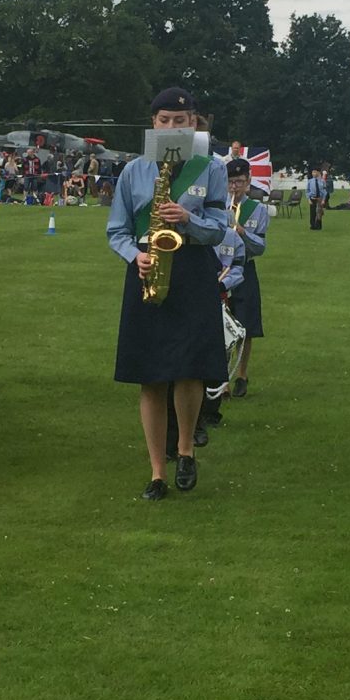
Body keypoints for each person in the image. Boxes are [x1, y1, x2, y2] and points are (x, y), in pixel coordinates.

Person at [106, 86, 228, 500]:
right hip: (147, 268)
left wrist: (188, 219)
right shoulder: (134, 170)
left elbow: (219, 228)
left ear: (193, 122)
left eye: (181, 120)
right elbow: (117, 231)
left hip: (192, 267)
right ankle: (157, 471)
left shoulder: (210, 167)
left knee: (190, 367)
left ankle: (186, 448)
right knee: (151, 375)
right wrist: (132, 256)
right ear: (153, 124)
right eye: (164, 120)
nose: (173, 126)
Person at [225, 157, 268, 398]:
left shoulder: (257, 210)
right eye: (231, 182)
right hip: (222, 268)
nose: (235, 187)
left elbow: (260, 247)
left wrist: (243, 233)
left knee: (246, 326)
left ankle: (242, 374)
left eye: (240, 182)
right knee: (222, 324)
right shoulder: (218, 206)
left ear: (248, 182)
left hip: (245, 268)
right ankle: (223, 379)